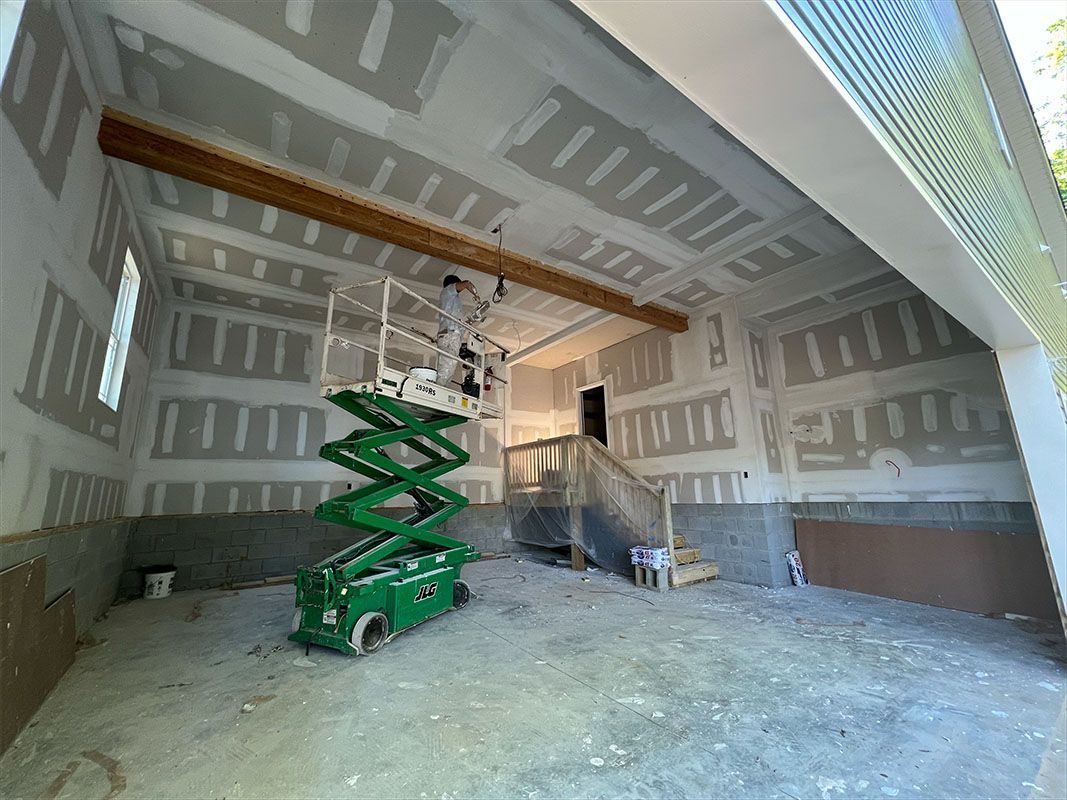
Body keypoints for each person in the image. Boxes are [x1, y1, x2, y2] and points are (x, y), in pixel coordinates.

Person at [436, 275, 474, 385]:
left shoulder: (454, 302)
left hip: (452, 336)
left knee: (449, 368)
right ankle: (438, 390)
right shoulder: (447, 292)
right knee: (446, 368)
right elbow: (466, 283)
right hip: (449, 335)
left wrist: (470, 322)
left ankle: (442, 388)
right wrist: (476, 295)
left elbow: (458, 324)